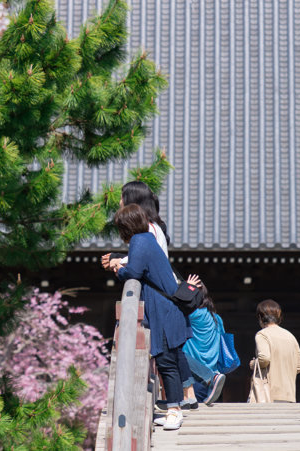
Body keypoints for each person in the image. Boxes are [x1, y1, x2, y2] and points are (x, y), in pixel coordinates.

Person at [112, 204, 191, 431]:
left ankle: (175, 411)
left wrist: (118, 268)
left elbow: (133, 272)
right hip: (170, 307)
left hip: (163, 310)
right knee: (171, 359)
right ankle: (173, 407)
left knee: (166, 361)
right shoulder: (148, 239)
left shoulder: (139, 241)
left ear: (125, 227)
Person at [178, 277, 227, 407]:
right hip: (215, 379)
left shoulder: (191, 315)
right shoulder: (217, 319)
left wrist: (186, 288)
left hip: (194, 378)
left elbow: (177, 303)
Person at [102, 181, 170, 274]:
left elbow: (144, 257)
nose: (120, 203)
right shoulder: (151, 226)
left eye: (121, 198)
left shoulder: (148, 228)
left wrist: (120, 261)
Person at [250, 300, 300, 403]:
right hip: (289, 395)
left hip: (269, 393)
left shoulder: (262, 334)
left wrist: (254, 363)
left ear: (261, 318)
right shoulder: (290, 336)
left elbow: (264, 358)